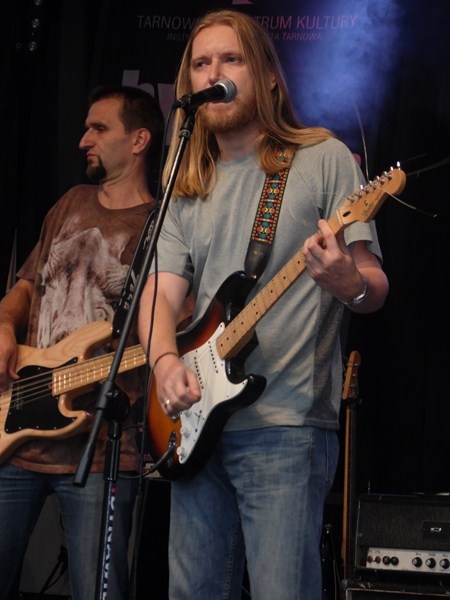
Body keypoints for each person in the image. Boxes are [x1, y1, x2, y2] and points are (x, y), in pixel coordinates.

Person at [137, 8, 390, 600]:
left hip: (287, 427)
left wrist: (347, 281)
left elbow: (374, 287)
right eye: (201, 63)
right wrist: (165, 363)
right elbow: (160, 294)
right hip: (195, 427)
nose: (214, 73)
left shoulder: (323, 158)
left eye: (231, 59)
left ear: (269, 76)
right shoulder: (185, 184)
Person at [0, 85, 164, 600]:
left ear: (138, 140)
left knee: (99, 591)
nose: (83, 140)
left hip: (101, 451)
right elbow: (25, 287)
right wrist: (3, 326)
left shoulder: (162, 225)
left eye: (98, 128)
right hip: (15, 435)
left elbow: (168, 325)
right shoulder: (70, 202)